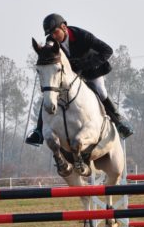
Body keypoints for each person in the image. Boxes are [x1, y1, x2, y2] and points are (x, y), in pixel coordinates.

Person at [26, 13, 134, 146]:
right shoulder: (51, 40)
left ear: (64, 27)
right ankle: (38, 132)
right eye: (51, 34)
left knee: (100, 90)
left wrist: (84, 64)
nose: (54, 36)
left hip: (91, 70)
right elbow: (48, 52)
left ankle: (119, 122)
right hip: (71, 74)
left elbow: (107, 50)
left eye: (55, 32)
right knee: (50, 92)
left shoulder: (82, 36)